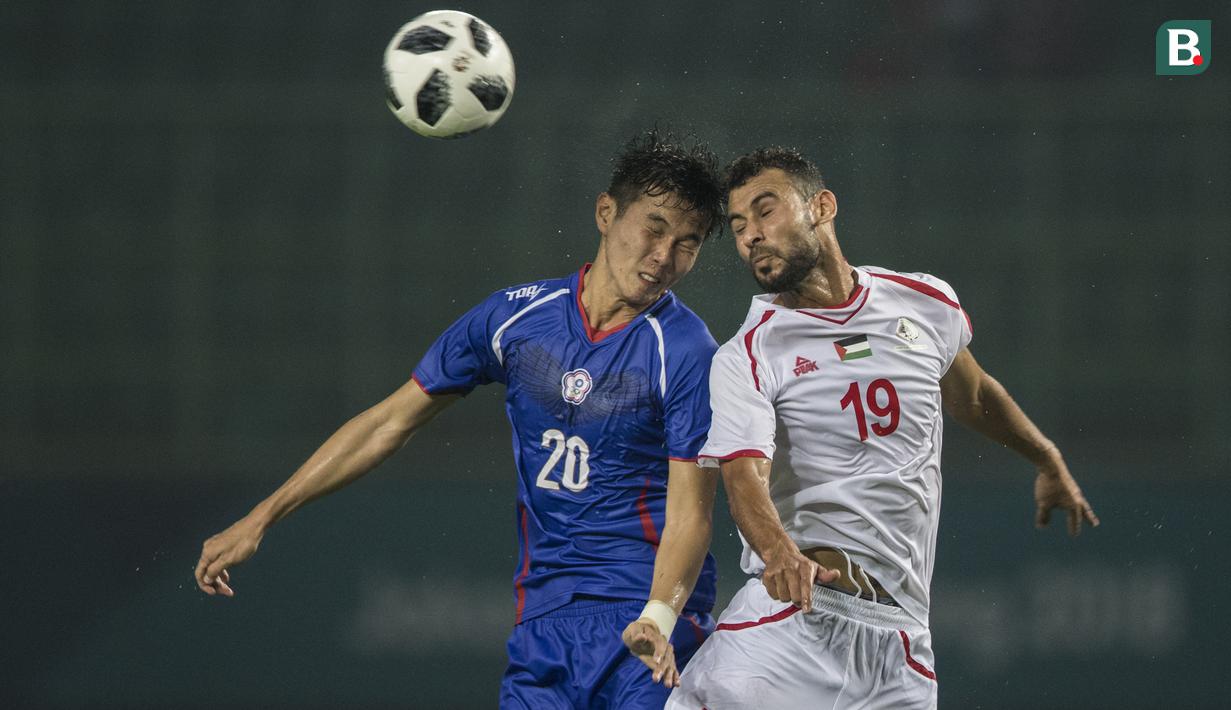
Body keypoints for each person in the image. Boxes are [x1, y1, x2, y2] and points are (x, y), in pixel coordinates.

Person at [194, 130, 727, 709]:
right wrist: (261, 517)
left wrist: (659, 614)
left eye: (687, 243)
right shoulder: (514, 319)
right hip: (542, 624)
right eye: (654, 228)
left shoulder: (687, 351)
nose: (663, 257)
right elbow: (387, 423)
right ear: (605, 212)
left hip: (643, 623)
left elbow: (691, 514)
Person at [645, 148, 1098, 709]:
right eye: (738, 227)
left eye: (765, 212)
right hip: (798, 623)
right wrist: (779, 552)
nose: (751, 236)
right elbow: (743, 476)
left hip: (902, 651)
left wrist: (1045, 456)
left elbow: (974, 394)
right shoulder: (750, 353)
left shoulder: (924, 303)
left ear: (822, 207)